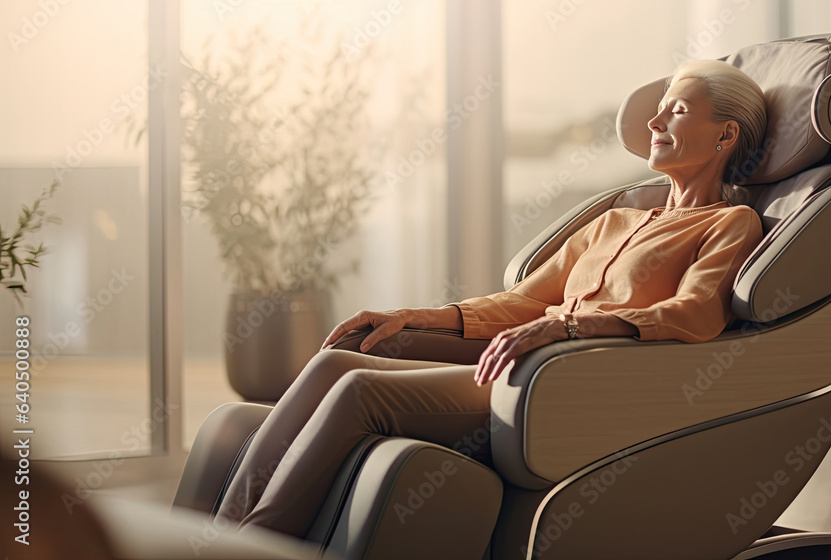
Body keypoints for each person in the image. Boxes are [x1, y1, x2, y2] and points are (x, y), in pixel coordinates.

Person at [215, 58, 767, 538]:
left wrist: (568, 328)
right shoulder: (616, 219)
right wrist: (411, 316)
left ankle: (256, 542)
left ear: (725, 136)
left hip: (565, 380)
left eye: (676, 110)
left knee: (361, 389)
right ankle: (216, 535)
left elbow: (695, 313)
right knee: (352, 350)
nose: (653, 121)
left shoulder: (730, 222)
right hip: (524, 352)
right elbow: (523, 303)